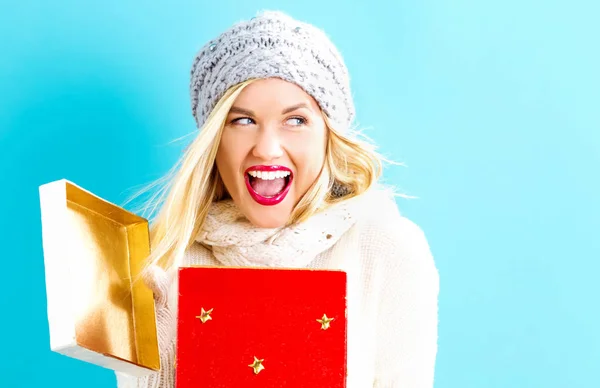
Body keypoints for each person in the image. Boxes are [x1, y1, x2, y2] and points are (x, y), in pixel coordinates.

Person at [116, 9, 439, 388]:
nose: (267, 149)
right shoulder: (162, 258)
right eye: (243, 120)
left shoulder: (386, 248)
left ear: (327, 137)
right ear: (215, 141)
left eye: (296, 120)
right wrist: (159, 363)